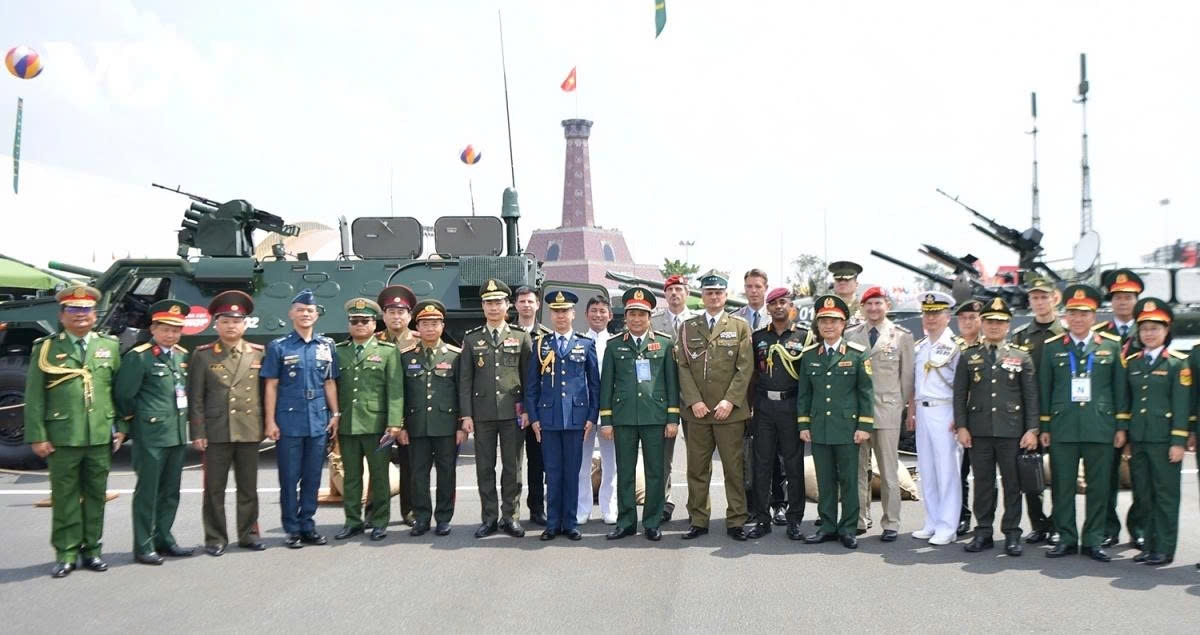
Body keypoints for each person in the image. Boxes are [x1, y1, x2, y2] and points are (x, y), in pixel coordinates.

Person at [24, 284, 122, 578]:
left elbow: (117, 391)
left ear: (94, 314)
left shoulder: (109, 346)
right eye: (73, 310)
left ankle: (92, 550)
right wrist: (38, 434)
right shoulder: (47, 348)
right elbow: (35, 395)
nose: (80, 315)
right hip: (62, 435)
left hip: (100, 434)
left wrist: (121, 428)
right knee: (65, 497)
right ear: (62, 314)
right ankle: (66, 552)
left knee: (96, 496)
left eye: (86, 310)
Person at [1039, 284, 1129, 562]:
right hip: (1063, 426)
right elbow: (1045, 388)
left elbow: (1120, 390)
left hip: (1100, 427)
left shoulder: (1110, 346)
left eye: (1084, 313)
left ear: (1093, 316)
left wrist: (1121, 426)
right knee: (1063, 485)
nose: (1078, 319)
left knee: (1099, 486)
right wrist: (1045, 426)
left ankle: (1093, 539)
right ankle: (1066, 538)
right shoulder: (1052, 348)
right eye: (1073, 314)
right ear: (1066, 317)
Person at [952, 297, 1039, 557]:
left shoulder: (1020, 356)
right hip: (979, 431)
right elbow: (959, 395)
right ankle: (983, 531)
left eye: (999, 322)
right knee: (983, 483)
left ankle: (1012, 533)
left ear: (1008, 325)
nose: (994, 326)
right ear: (983, 323)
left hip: (1012, 431)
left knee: (1013, 484)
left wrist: (1031, 429)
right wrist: (962, 427)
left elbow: (1031, 396)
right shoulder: (969, 356)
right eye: (989, 321)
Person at [115, 299, 193, 565]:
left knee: (171, 492)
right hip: (150, 435)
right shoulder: (139, 356)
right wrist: (130, 425)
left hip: (176, 434)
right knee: (148, 491)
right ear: (154, 328)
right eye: (165, 329)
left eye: (176, 329)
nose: (171, 334)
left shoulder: (181, 355)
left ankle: (165, 539)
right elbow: (125, 395)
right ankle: (144, 544)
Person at [188, 290, 267, 556]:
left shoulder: (258, 354)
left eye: (236, 321)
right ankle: (215, 538)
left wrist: (268, 425)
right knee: (214, 490)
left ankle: (249, 534)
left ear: (245, 324)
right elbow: (196, 397)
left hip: (248, 429)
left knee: (248, 488)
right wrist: (197, 431)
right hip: (216, 431)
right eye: (225, 321)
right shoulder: (203, 355)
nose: (231, 326)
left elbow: (265, 393)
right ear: (216, 324)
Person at [676, 274, 753, 541]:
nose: (714, 297)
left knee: (734, 468)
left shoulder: (740, 326)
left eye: (719, 293)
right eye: (709, 292)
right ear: (702, 295)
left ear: (725, 295)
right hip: (697, 413)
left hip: (729, 413)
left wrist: (729, 401)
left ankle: (736, 520)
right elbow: (683, 367)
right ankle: (698, 519)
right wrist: (694, 401)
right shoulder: (688, 327)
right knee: (697, 469)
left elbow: (745, 368)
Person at [598, 287, 679, 541]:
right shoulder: (614, 346)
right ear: (625, 317)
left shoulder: (664, 344)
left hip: (655, 418)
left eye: (641, 314)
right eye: (632, 314)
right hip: (623, 419)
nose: (636, 319)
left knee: (656, 472)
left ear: (649, 316)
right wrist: (607, 420)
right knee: (625, 471)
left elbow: (672, 384)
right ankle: (626, 522)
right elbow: (606, 386)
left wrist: (672, 418)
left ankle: (652, 522)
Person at [262, 289, 339, 549]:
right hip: (289, 421)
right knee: (289, 477)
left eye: (310, 311)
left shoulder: (326, 346)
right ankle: (292, 529)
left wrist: (335, 414)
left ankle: (308, 525)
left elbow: (329, 382)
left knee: (313, 477)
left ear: (316, 315)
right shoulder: (279, 347)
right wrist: (270, 421)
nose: (305, 314)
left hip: (318, 420)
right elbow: (271, 385)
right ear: (291, 313)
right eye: (300, 310)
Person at [797, 295, 874, 549]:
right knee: (825, 480)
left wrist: (864, 426)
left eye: (834, 321)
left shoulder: (857, 355)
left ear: (843, 325)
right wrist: (804, 425)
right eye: (824, 321)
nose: (828, 326)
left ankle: (849, 528)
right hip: (820, 428)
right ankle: (828, 525)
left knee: (849, 480)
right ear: (817, 325)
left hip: (848, 429)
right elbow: (805, 394)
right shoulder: (809, 356)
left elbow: (866, 393)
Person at [460, 279, 532, 539]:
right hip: (482, 414)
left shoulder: (521, 337)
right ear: (483, 306)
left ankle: (511, 517)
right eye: (489, 303)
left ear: (507, 306)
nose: (493, 307)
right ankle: (489, 518)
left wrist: (528, 410)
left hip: (513, 413)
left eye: (498, 302)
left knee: (512, 468)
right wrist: (466, 415)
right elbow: (465, 380)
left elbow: (528, 378)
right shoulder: (471, 339)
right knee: (485, 468)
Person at [525, 290, 600, 541]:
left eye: (564, 311)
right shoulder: (540, 344)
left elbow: (594, 385)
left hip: (577, 419)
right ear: (550, 314)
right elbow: (532, 387)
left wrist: (591, 416)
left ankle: (570, 522)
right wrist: (534, 418)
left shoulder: (585, 344)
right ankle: (552, 523)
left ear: (573, 314)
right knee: (553, 472)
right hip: (548, 420)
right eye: (556, 312)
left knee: (573, 472)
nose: (560, 316)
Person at [1121, 298, 1190, 566]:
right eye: (1145, 328)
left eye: (1155, 328)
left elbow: (1181, 406)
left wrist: (1178, 441)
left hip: (1164, 441)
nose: (1149, 333)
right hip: (1139, 439)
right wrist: (1126, 436)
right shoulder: (1134, 362)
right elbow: (1128, 402)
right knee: (1144, 494)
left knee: (1166, 496)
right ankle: (1148, 544)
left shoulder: (1177, 364)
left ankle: (1164, 548)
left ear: (1166, 331)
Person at [845, 286, 913, 542]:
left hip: (887, 411)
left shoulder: (901, 336)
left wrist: (901, 407)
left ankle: (891, 522)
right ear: (862, 307)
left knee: (888, 470)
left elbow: (906, 378)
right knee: (858, 469)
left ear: (887, 305)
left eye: (878, 303)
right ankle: (860, 518)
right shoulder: (851, 333)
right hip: (857, 414)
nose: (874, 309)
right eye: (869, 304)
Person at [333, 298, 402, 542]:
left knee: (380, 475)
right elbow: (332, 387)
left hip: (377, 426)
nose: (360, 325)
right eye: (355, 321)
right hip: (349, 425)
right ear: (349, 324)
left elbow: (395, 390)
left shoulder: (387, 351)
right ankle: (353, 521)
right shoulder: (339, 351)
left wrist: (394, 423)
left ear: (375, 323)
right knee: (351, 477)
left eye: (365, 321)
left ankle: (380, 521)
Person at [745, 287, 809, 540]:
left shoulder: (804, 337)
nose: (778, 307)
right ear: (768, 309)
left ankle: (794, 520)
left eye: (783, 302)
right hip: (763, 407)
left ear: (790, 306)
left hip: (791, 406)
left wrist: (806, 415)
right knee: (761, 464)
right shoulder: (758, 337)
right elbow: (751, 376)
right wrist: (749, 409)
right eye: (773, 303)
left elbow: (807, 379)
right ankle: (762, 519)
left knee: (793, 466)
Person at [402, 300, 465, 537]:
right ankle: (421, 517)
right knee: (418, 473)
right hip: (417, 425)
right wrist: (401, 426)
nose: (430, 328)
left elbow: (461, 392)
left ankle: (443, 517)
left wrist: (461, 425)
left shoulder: (455, 356)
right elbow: (402, 394)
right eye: (425, 324)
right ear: (417, 327)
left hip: (446, 426)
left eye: (435, 323)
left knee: (446, 472)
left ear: (442, 326)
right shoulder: (406, 356)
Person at [1009, 276, 1063, 545]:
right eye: (1035, 297)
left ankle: (1058, 524)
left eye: (1044, 296)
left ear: (1055, 299)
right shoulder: (1020, 337)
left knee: (1062, 474)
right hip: (1029, 415)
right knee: (1030, 472)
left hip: (1061, 415)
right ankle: (1039, 524)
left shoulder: (1065, 334)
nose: (1040, 302)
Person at [1093, 269, 1144, 549]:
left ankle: (1139, 529)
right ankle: (1107, 528)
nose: (1123, 302)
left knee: (1141, 478)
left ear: (1137, 299)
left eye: (1128, 297)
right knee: (1106, 478)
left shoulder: (1149, 329)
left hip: (1142, 416)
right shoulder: (1099, 335)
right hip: (1107, 418)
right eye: (1117, 297)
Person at [734, 269, 788, 526]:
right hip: (748, 394)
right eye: (749, 286)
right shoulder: (736, 319)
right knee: (751, 454)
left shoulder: (779, 315)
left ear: (765, 288)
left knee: (778, 454)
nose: (753, 290)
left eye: (757, 286)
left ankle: (779, 503)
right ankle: (753, 505)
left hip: (775, 395)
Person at [911, 291, 963, 545]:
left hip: (946, 411)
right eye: (927, 313)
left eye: (936, 313)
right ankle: (931, 520)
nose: (930, 318)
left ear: (948, 316)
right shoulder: (920, 347)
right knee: (927, 470)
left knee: (947, 471)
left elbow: (963, 387)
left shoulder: (955, 347)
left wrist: (959, 417)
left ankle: (948, 525)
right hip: (923, 410)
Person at [650, 274, 695, 523]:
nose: (675, 293)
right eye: (670, 290)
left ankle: (696, 505)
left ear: (686, 293)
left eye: (679, 289)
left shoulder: (697, 322)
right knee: (662, 456)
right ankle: (662, 502)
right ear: (665, 295)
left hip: (691, 398)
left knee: (696, 456)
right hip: (662, 398)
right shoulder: (654, 322)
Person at [375, 284, 419, 526]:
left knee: (410, 467)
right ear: (384, 316)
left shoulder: (420, 342)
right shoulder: (374, 341)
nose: (396, 316)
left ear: (409, 316)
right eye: (391, 312)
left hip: (411, 416)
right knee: (378, 467)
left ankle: (409, 511)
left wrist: (401, 423)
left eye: (401, 312)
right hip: (378, 415)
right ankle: (374, 512)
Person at [513, 285, 551, 526]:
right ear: (515, 305)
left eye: (530, 301)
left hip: (539, 409)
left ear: (538, 305)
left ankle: (537, 508)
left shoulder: (547, 335)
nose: (526, 305)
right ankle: (510, 512)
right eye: (522, 301)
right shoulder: (508, 333)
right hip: (513, 408)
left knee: (538, 461)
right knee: (513, 463)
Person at [578, 295, 618, 525]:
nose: (598, 315)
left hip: (609, 412)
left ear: (610, 315)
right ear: (586, 314)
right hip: (584, 412)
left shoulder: (616, 342)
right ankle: (582, 508)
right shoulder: (579, 341)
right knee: (581, 465)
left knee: (611, 463)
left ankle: (609, 508)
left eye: (603, 311)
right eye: (593, 310)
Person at [953, 299, 984, 537]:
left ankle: (986, 521)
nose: (967, 322)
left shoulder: (990, 347)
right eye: (962, 318)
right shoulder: (951, 347)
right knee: (959, 472)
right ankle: (962, 516)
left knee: (986, 475)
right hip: (960, 418)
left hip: (985, 418)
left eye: (972, 317)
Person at [828, 260, 864, 326]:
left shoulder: (866, 309)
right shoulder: (825, 308)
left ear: (856, 284)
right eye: (838, 279)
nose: (842, 282)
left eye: (847, 279)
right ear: (834, 283)